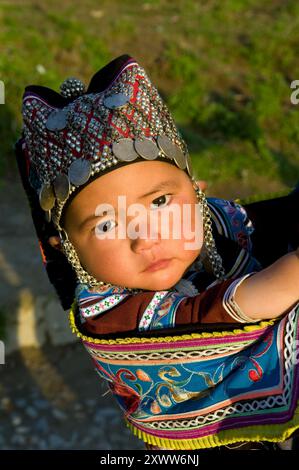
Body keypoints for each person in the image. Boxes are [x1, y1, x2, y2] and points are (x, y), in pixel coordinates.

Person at [16, 55, 299, 450]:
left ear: (198, 193)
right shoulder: (109, 315)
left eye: (161, 201)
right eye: (106, 224)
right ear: (67, 249)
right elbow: (216, 311)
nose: (145, 238)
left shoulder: (207, 222)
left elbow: (265, 222)